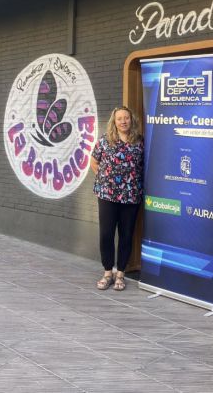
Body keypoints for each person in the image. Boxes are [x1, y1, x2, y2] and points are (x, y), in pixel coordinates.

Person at [91, 106, 144, 292]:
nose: (123, 121)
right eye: (119, 118)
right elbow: (94, 161)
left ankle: (120, 273)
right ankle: (107, 273)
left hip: (131, 196)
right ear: (114, 122)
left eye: (126, 118)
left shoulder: (139, 142)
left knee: (126, 235)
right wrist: (104, 179)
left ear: (132, 120)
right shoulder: (105, 141)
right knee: (106, 234)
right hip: (107, 195)